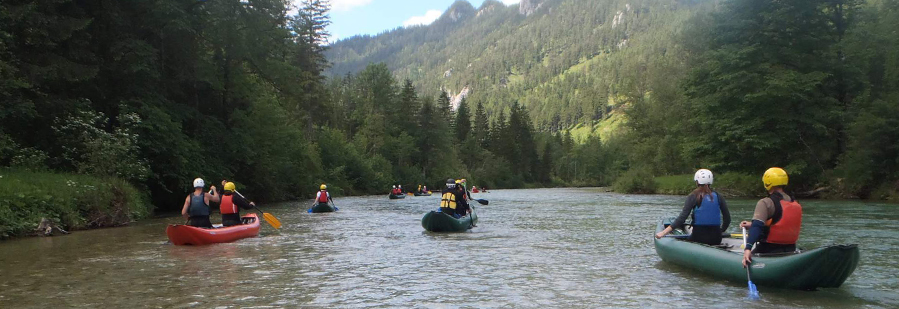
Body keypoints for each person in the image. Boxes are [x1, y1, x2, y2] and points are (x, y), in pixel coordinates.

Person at [741, 167, 802, 267]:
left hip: (768, 250)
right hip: (791, 249)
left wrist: (747, 249)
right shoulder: (795, 203)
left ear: (767, 182)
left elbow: (757, 227)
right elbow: (779, 222)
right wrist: (751, 225)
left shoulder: (765, 202)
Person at [655, 169, 731, 245]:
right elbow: (727, 219)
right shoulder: (718, 196)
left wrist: (663, 232)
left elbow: (682, 218)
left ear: (697, 182)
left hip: (698, 238)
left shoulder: (693, 196)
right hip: (716, 239)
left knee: (687, 240)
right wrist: (721, 231)